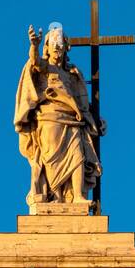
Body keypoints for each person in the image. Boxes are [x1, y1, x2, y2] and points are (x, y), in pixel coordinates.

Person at [14, 24, 102, 208]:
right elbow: (35, 62)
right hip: (50, 119)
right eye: (53, 43)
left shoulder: (72, 74)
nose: (57, 47)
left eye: (60, 43)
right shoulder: (46, 67)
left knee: (77, 155)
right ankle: (54, 197)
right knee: (51, 159)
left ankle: (77, 196)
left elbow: (83, 103)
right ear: (47, 47)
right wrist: (33, 46)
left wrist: (94, 121)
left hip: (73, 120)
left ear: (65, 47)